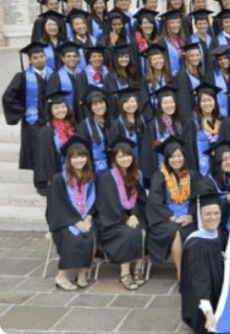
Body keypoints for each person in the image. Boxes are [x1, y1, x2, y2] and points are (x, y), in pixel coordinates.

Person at [46, 136, 97, 291]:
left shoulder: (91, 178)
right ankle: (62, 276)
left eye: (82, 156)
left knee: (92, 234)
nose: (79, 160)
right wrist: (76, 221)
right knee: (73, 237)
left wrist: (88, 218)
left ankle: (83, 272)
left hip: (86, 217)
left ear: (87, 158)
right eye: (74, 157)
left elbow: (96, 202)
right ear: (68, 159)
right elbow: (57, 205)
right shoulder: (59, 179)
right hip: (64, 220)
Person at [97, 136, 147, 290]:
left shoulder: (136, 175)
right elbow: (107, 205)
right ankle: (125, 273)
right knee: (127, 233)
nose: (125, 159)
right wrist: (125, 218)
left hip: (133, 217)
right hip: (112, 221)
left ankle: (138, 269)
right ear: (114, 158)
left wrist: (135, 215)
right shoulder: (107, 178)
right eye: (121, 156)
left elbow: (140, 200)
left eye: (128, 155)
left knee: (144, 230)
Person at [145, 136, 198, 282]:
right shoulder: (160, 176)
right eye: (172, 157)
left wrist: (192, 216)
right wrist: (172, 217)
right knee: (176, 232)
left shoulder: (191, 175)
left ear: (184, 157)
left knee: (188, 230)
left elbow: (197, 198)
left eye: (179, 156)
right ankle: (181, 274)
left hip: (188, 217)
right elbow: (154, 202)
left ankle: (193, 271)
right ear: (167, 159)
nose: (176, 160)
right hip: (165, 219)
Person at [4, 43, 55, 180]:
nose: (39, 60)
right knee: (36, 151)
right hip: (33, 121)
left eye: (41, 56)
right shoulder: (22, 77)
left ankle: (52, 179)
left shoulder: (54, 75)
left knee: (52, 149)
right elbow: (8, 97)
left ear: (45, 57)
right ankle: (40, 182)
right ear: (30, 60)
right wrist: (23, 110)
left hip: (52, 119)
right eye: (35, 57)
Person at [180, 191, 224, 334]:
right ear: (200, 216)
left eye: (216, 213)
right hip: (201, 304)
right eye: (208, 214)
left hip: (216, 293)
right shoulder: (196, 245)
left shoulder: (217, 234)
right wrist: (208, 313)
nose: (213, 217)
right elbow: (200, 283)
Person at [199, 140, 230, 249]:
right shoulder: (206, 183)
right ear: (217, 161)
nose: (229, 162)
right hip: (215, 227)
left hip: (229, 226)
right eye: (224, 159)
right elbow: (211, 209)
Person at [140, 86, 184, 185]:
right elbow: (147, 153)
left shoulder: (179, 123)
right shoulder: (153, 126)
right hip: (160, 173)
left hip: (178, 169)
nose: (169, 105)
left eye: (171, 102)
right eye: (165, 103)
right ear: (160, 106)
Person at [35, 91, 77, 193]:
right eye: (56, 108)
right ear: (50, 110)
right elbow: (43, 158)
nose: (60, 110)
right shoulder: (47, 130)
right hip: (57, 173)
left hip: (75, 171)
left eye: (63, 107)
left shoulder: (74, 126)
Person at [183, 83, 227, 176]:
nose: (207, 104)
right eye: (203, 101)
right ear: (198, 103)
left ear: (215, 101)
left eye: (210, 100)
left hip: (221, 172)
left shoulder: (223, 121)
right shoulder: (192, 124)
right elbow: (189, 153)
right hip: (200, 173)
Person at [46, 42, 89, 122]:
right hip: (65, 117)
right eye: (68, 56)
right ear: (63, 59)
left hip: (83, 115)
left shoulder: (84, 75)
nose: (72, 59)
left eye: (74, 56)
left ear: (79, 58)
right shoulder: (56, 77)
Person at [76, 87, 112, 177]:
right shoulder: (84, 126)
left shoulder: (113, 123)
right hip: (93, 171)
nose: (99, 107)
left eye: (101, 103)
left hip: (112, 171)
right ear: (90, 108)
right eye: (95, 104)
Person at [174, 42, 208, 120]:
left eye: (197, 55)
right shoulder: (182, 76)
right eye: (192, 56)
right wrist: (189, 122)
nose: (195, 58)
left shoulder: (202, 74)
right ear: (187, 58)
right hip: (190, 117)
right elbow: (183, 103)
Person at [108, 88, 145, 159]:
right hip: (126, 162)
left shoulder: (142, 120)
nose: (130, 105)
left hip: (144, 161)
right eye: (126, 102)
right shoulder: (117, 124)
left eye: (132, 101)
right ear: (121, 105)